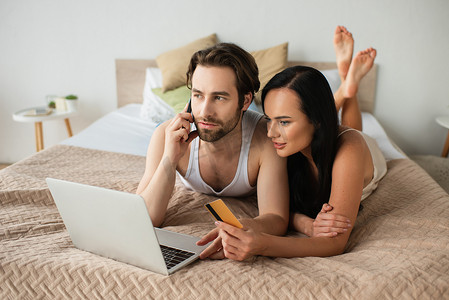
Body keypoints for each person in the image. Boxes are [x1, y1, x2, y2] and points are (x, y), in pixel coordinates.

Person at [212, 26, 387, 260]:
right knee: (313, 124)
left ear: (316, 121)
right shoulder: (283, 145)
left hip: (364, 154)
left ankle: (347, 87)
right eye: (269, 119)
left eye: (283, 122)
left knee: (352, 132)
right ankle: (346, 86)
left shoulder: (350, 150)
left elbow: (334, 244)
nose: (271, 133)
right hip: (316, 130)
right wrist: (306, 224)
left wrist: (262, 244)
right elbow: (283, 209)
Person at [136, 43, 290, 259]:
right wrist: (170, 160)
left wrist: (245, 227)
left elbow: (276, 218)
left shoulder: (266, 138)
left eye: (219, 98)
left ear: (245, 100)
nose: (205, 112)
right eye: (198, 96)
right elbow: (144, 218)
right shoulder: (165, 136)